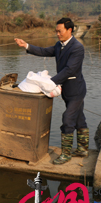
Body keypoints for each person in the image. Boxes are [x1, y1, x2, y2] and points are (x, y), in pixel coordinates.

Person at [14, 18, 88, 165]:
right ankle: (83, 149)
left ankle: (66, 154)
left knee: (68, 119)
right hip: (66, 89)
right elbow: (43, 51)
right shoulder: (59, 45)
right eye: (56, 31)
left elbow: (69, 70)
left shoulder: (77, 48)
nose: (57, 34)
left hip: (76, 90)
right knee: (79, 118)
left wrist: (50, 82)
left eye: (60, 31)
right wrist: (26, 45)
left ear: (69, 30)